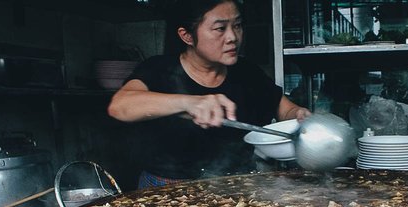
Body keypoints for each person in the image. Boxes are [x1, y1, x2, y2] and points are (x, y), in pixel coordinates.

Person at [107, 0, 310, 187]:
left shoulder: (247, 72)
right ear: (187, 36)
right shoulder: (159, 69)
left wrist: (298, 114)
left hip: (237, 185)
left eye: (237, 25)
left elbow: (285, 109)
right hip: (166, 189)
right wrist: (189, 103)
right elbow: (120, 106)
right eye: (220, 28)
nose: (232, 37)